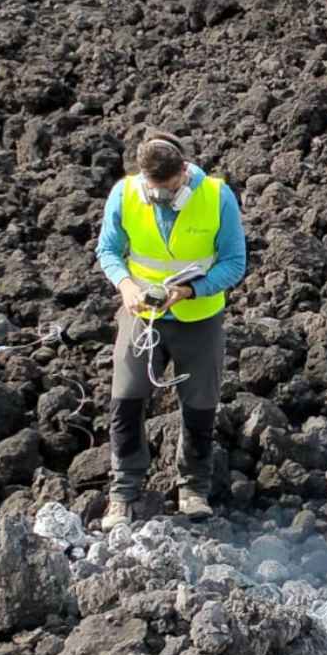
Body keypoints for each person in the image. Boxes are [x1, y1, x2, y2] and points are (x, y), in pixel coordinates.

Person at [96, 128, 248, 531]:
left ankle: (193, 486)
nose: (161, 196)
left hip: (198, 318)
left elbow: (234, 262)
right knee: (126, 401)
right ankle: (124, 491)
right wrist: (126, 286)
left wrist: (190, 290)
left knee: (200, 404)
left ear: (185, 170)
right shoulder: (125, 194)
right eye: (154, 187)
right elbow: (108, 250)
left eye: (170, 186)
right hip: (141, 315)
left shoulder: (217, 197)